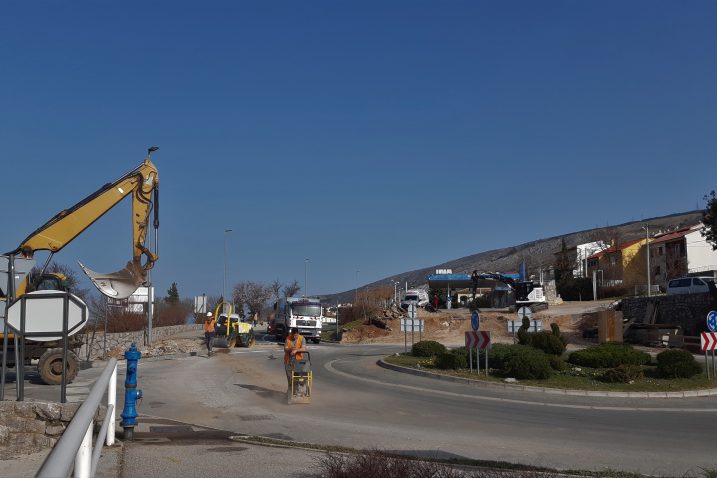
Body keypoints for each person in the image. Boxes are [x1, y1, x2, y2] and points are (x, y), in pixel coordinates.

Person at [284, 327, 306, 392]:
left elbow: (304, 348)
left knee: (297, 378)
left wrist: (296, 350)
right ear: (291, 334)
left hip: (298, 362)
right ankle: (290, 392)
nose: (295, 337)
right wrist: (290, 349)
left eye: (296, 335)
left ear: (298, 334)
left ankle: (297, 391)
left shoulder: (302, 338)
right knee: (290, 378)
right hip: (288, 361)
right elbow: (285, 349)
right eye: (293, 335)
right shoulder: (287, 338)